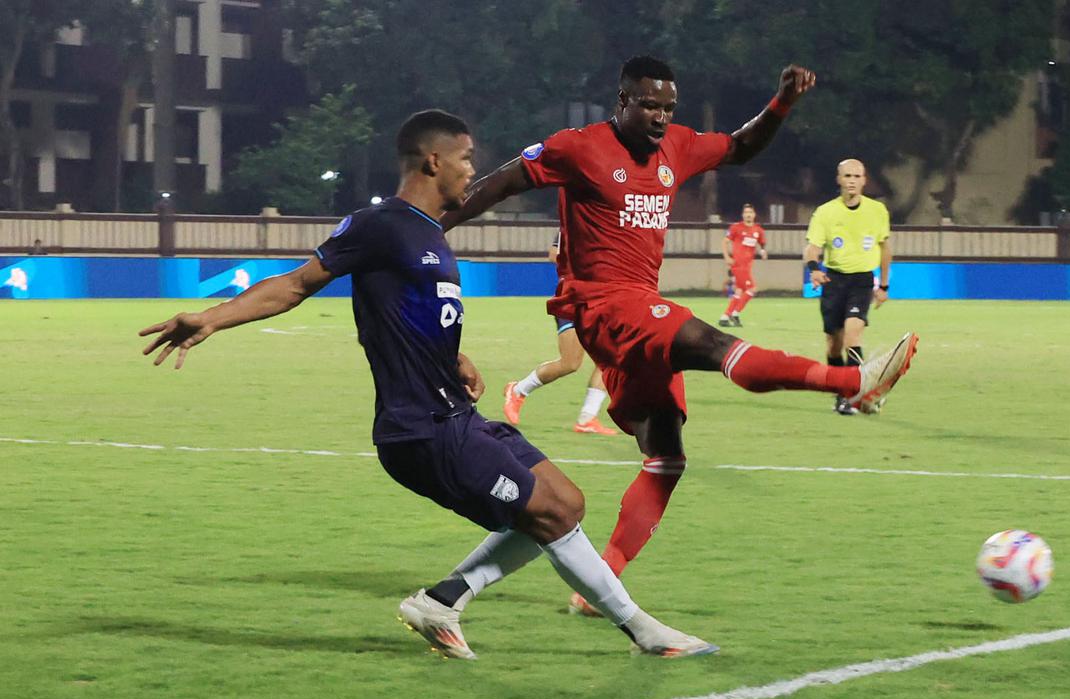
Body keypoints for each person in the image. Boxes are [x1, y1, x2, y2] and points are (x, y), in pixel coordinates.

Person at [138, 109, 717, 660]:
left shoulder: (430, 233)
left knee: (565, 502)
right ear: (433, 161)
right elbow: (296, 284)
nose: (474, 169)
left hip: (453, 415)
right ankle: (644, 631)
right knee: (550, 516)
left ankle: (441, 603)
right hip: (420, 430)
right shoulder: (382, 225)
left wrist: (454, 356)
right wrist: (210, 318)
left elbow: (405, 314)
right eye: (466, 158)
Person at [442, 57, 919, 616]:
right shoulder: (578, 147)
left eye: (669, 107)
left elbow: (741, 146)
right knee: (711, 345)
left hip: (636, 310)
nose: (660, 117)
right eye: (649, 105)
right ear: (622, 101)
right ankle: (852, 381)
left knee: (665, 456)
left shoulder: (678, 148)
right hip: (602, 304)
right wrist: (429, 224)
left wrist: (782, 102)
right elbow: (498, 184)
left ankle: (598, 588)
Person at [502, 231, 618, 436]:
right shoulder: (574, 221)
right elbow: (553, 254)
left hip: (598, 299)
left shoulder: (607, 224)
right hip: (571, 298)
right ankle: (518, 390)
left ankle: (587, 418)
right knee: (570, 363)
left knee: (609, 359)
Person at [803, 159, 893, 415]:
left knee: (853, 335)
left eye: (857, 175)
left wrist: (884, 285)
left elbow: (885, 249)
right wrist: (814, 269)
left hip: (862, 281)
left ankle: (853, 395)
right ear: (839, 179)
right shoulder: (825, 212)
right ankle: (840, 394)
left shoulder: (877, 211)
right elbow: (812, 247)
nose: (852, 180)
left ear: (864, 180)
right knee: (833, 343)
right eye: (847, 175)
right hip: (834, 280)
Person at [718, 203, 767, 327]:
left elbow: (761, 244)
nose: (748, 215)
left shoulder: (758, 230)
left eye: (750, 212)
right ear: (743, 215)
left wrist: (762, 251)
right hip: (738, 265)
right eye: (746, 213)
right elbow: (725, 241)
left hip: (748, 266)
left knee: (739, 291)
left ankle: (724, 317)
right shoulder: (736, 228)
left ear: (754, 215)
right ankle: (735, 313)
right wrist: (727, 257)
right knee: (752, 289)